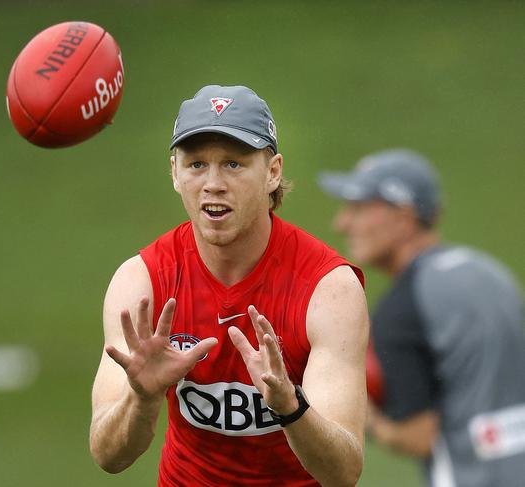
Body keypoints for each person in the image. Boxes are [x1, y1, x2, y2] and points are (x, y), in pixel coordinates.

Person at [89, 85, 369, 486]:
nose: (213, 183)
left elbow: (343, 473)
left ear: (272, 173)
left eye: (234, 164)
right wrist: (143, 399)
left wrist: (289, 407)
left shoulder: (328, 289)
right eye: (197, 164)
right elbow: (108, 456)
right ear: (174, 172)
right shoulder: (141, 283)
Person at [318, 148, 525, 487]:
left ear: (402, 217)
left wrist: (364, 414)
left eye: (357, 207)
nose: (342, 222)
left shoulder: (403, 306)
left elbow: (417, 437)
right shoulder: (492, 275)